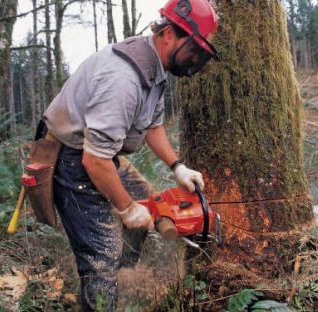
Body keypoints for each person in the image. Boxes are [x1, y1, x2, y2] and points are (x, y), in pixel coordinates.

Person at [41, 0, 219, 310]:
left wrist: (177, 166)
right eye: (193, 48)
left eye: (200, 52)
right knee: (102, 253)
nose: (195, 58)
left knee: (150, 203)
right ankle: (101, 279)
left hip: (98, 152)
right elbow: (93, 161)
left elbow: (152, 126)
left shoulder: (154, 67)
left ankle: (121, 272)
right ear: (167, 34)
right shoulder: (123, 80)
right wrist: (125, 208)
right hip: (70, 157)